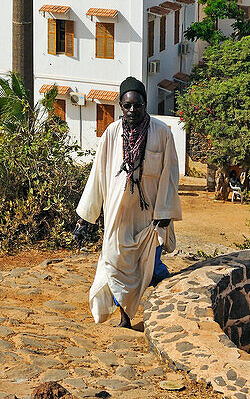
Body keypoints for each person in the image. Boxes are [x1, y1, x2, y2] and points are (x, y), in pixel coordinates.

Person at [75, 76, 182, 328]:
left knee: (148, 267)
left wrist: (165, 211)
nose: (133, 110)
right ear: (121, 106)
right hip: (117, 215)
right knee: (115, 263)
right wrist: (85, 217)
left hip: (149, 218)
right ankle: (125, 317)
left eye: (138, 105)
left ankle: (168, 302)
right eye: (127, 106)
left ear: (146, 104)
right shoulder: (112, 133)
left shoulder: (162, 133)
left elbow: (170, 174)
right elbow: (97, 175)